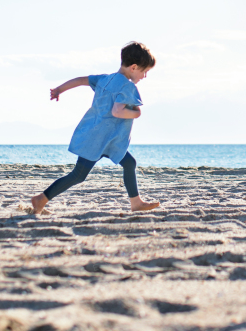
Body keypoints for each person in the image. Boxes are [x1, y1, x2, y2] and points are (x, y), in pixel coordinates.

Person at [32, 41, 160, 214]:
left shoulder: (105, 79)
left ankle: (136, 203)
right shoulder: (127, 86)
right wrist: (136, 113)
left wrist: (59, 90)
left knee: (129, 163)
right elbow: (118, 111)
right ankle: (41, 199)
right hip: (101, 139)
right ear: (134, 67)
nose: (144, 76)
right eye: (145, 72)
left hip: (103, 137)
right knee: (78, 175)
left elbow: (81, 80)